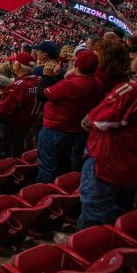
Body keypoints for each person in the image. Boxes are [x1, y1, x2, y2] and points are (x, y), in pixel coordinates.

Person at [78, 43, 137, 229]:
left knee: (94, 214)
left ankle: (87, 254)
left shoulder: (132, 91)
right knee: (120, 213)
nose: (133, 57)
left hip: (108, 162)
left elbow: (94, 120)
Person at [35, 50, 104, 184]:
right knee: (63, 164)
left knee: (47, 165)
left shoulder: (71, 84)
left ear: (76, 65)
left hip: (54, 129)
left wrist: (46, 76)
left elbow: (41, 95)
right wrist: (58, 76)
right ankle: (62, 189)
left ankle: (44, 193)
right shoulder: (97, 83)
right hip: (74, 129)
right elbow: (64, 92)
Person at [0, 52, 42, 161]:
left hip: (10, 126)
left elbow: (4, 111)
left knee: (2, 157)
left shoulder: (17, 87)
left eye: (14, 63)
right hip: (27, 124)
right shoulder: (40, 81)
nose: (13, 65)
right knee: (17, 153)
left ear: (18, 66)